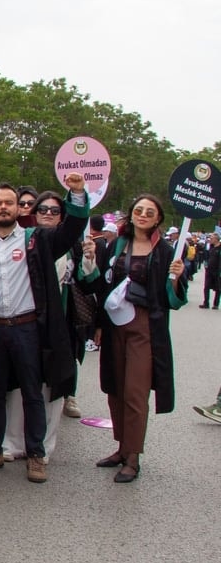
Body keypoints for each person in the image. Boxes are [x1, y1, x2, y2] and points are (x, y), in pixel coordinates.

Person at [0, 175, 88, 484]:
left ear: (19, 208)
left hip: (27, 328)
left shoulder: (36, 239)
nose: (3, 208)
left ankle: (36, 454)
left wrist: (77, 193)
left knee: (32, 393)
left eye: (9, 203)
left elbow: (72, 229)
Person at [87, 194, 186, 483]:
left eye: (149, 212)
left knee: (135, 391)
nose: (142, 215)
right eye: (138, 210)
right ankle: (121, 447)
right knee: (115, 387)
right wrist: (99, 324)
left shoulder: (167, 252)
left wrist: (177, 278)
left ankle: (133, 457)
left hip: (145, 327)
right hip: (115, 324)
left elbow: (173, 300)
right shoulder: (116, 245)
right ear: (131, 215)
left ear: (158, 219)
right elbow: (102, 285)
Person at [199, 233, 220, 309]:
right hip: (209, 270)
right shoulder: (211, 247)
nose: (210, 240)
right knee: (206, 286)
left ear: (216, 239)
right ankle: (206, 303)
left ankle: (216, 304)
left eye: (212, 238)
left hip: (217, 271)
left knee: (218, 288)